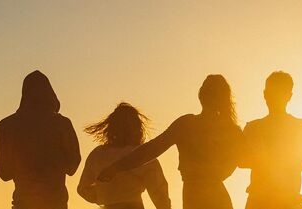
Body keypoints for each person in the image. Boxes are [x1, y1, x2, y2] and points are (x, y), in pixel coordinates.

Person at [97, 75, 243, 209]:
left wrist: (117, 166)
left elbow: (151, 149)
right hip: (212, 194)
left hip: (196, 194)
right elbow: (235, 163)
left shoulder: (188, 124)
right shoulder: (230, 130)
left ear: (201, 96)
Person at [0, 71, 81, 209]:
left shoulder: (7, 125)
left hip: (23, 203)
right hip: (56, 203)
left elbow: (4, 173)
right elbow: (72, 166)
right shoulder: (62, 124)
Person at [239, 71, 302, 209]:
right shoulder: (253, 127)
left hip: (283, 200)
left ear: (289, 96)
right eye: (272, 92)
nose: (274, 97)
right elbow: (241, 160)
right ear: (265, 94)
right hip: (262, 201)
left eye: (278, 92)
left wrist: (261, 155)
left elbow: (300, 162)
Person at [77, 102, 172, 209]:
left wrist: (105, 196)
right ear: (137, 127)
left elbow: (83, 188)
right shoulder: (142, 154)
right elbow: (158, 192)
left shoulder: (97, 154)